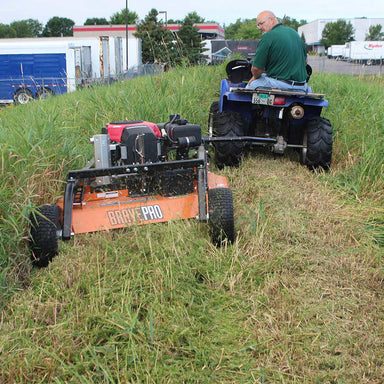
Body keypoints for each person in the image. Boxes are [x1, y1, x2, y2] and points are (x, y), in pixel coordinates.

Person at [246, 11, 308, 91]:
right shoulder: (294, 33)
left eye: (261, 23)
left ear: (272, 19)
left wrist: (254, 77)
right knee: (265, 77)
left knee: (251, 85)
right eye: (258, 25)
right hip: (301, 86)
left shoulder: (268, 36)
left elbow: (256, 69)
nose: (260, 27)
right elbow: (305, 61)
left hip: (282, 85)